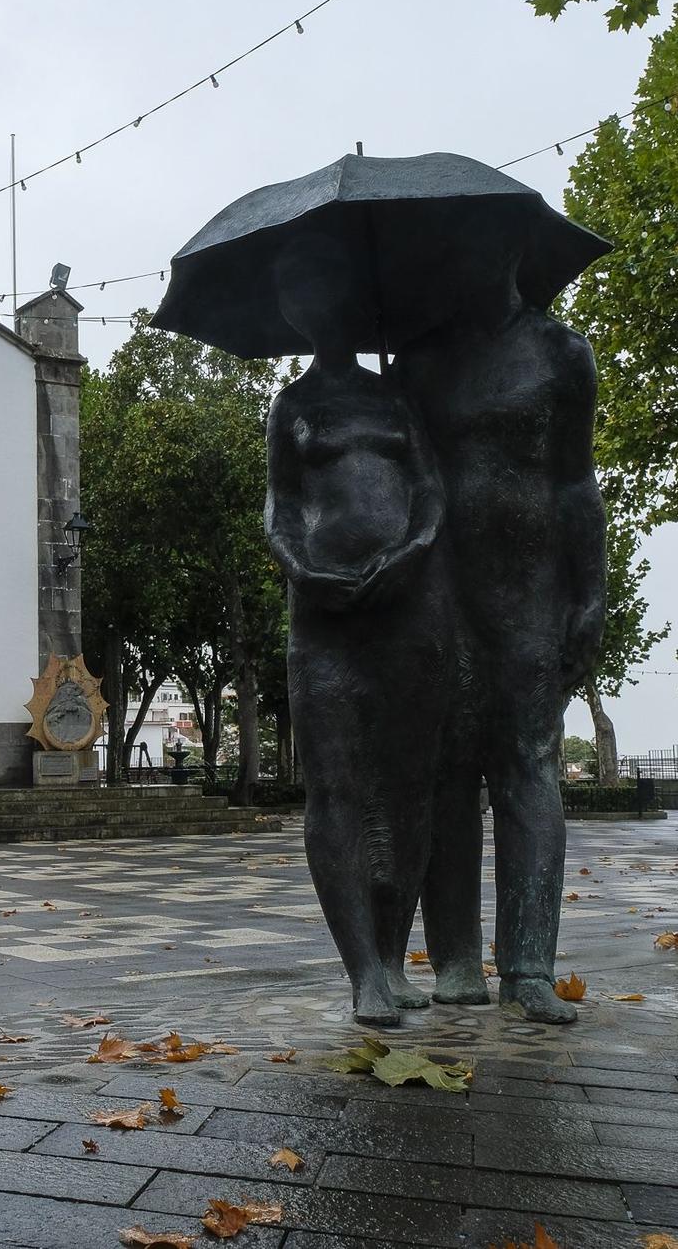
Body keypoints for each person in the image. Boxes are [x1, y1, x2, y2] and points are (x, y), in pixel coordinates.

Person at [399, 237, 605, 1024]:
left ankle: (527, 967)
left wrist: (592, 589)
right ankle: (454, 961)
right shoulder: (418, 361)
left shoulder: (561, 353)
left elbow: (577, 479)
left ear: (514, 254)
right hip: (438, 588)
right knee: (446, 773)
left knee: (528, 765)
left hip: (532, 589)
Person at [266, 235, 454, 1025]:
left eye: (332, 295)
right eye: (305, 300)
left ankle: (394, 951)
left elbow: (432, 491)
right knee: (337, 788)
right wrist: (301, 568)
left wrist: (412, 553)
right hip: (326, 618)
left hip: (408, 612)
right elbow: (276, 508)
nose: (321, 312)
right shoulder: (293, 406)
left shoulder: (396, 398)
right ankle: (363, 970)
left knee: (410, 791)